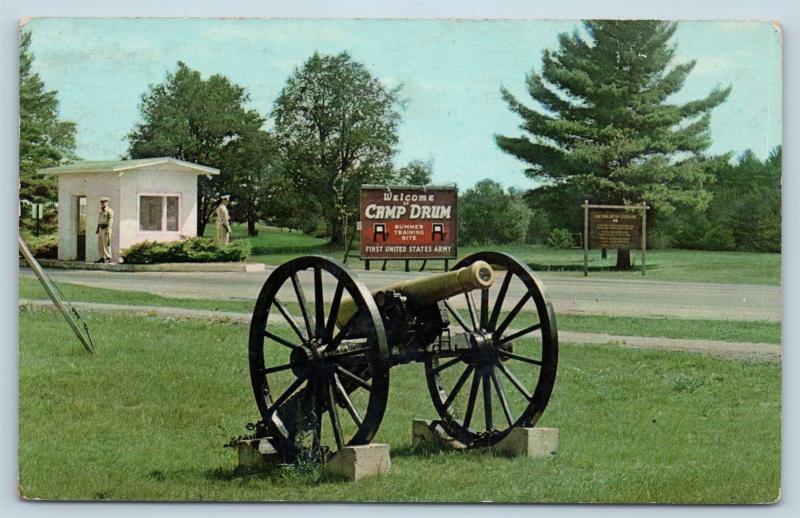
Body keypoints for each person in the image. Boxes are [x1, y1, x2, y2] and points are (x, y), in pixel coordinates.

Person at [95, 197, 114, 263]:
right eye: (102, 203)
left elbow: (110, 220)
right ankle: (102, 257)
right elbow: (99, 221)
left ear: (106, 203)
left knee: (106, 243)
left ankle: (108, 257)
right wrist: (97, 229)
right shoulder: (101, 212)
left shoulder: (109, 211)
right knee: (100, 244)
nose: (103, 204)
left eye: (104, 202)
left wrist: (108, 229)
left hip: (106, 228)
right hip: (101, 228)